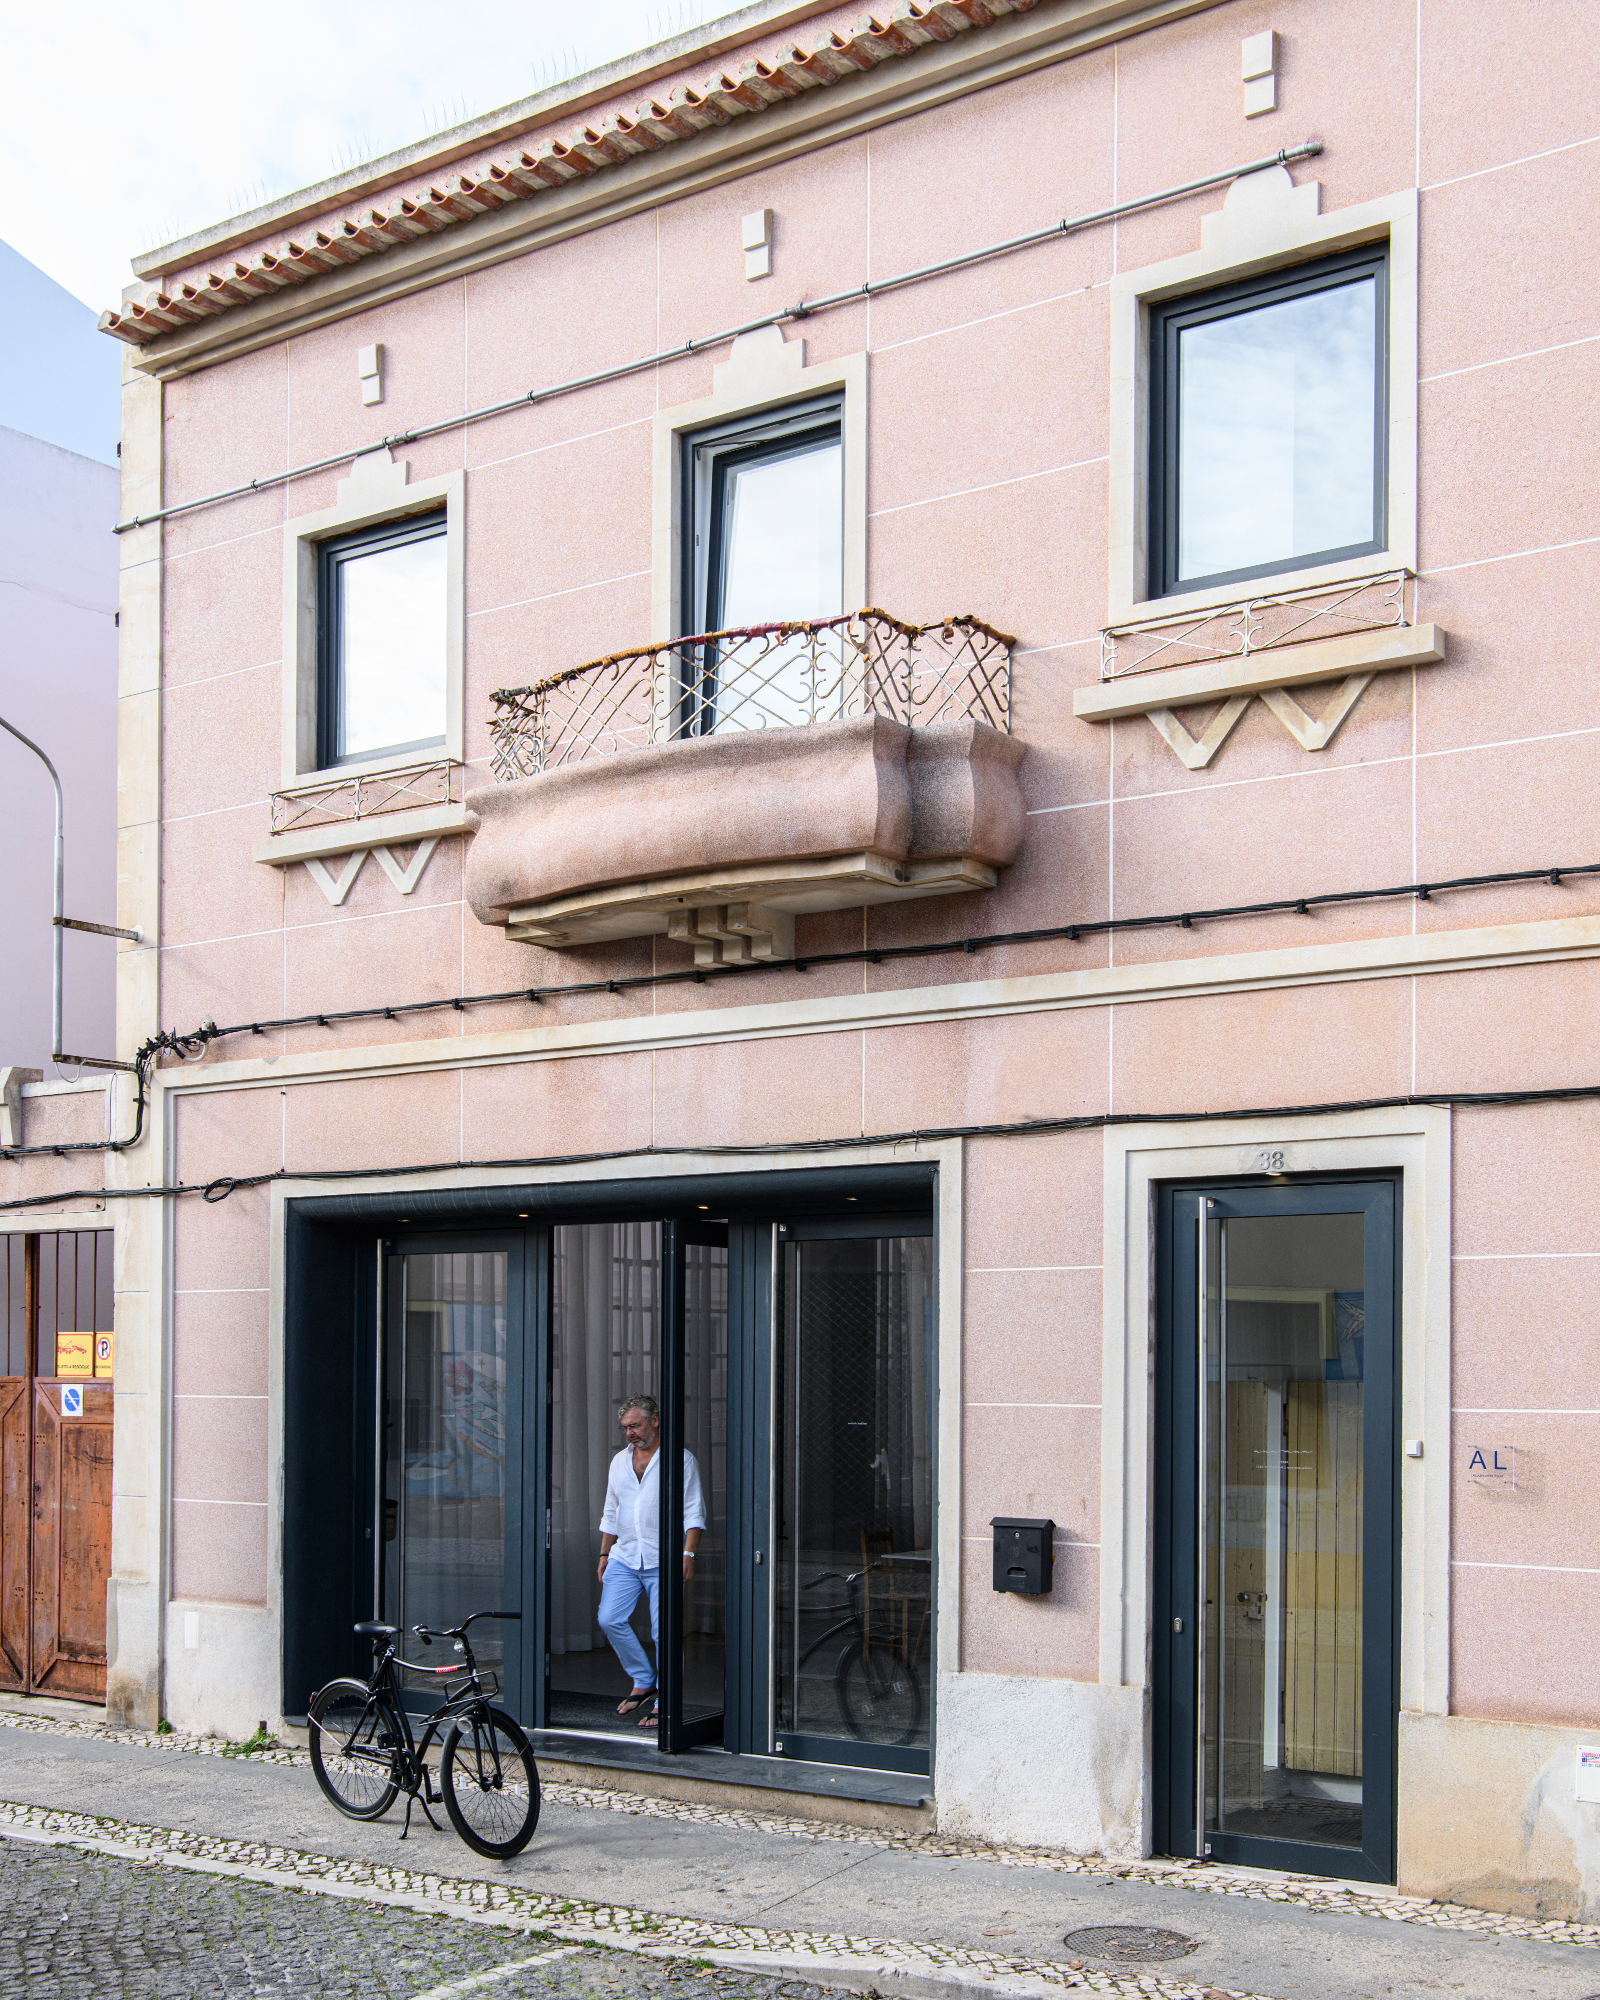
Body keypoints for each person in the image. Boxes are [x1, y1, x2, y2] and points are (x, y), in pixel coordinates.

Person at [596, 1395, 705, 1726]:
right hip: (625, 1555)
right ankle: (643, 1679)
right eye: (625, 1427)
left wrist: (688, 1554)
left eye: (635, 1425)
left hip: (665, 1558)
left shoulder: (679, 1460)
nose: (629, 1433)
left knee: (664, 1632)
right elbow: (611, 1511)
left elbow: (693, 1511)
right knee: (609, 1618)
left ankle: (667, 1697)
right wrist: (604, 1553)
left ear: (654, 1421)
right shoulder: (619, 1462)